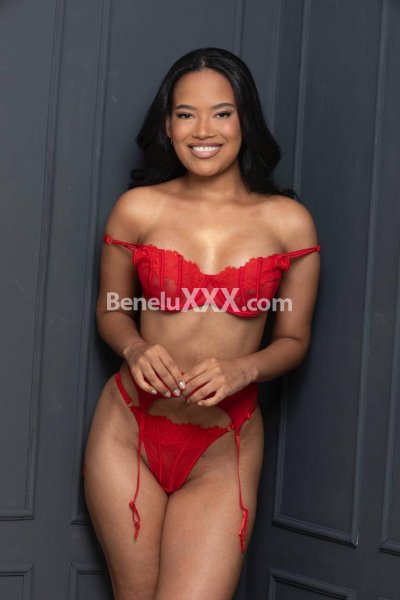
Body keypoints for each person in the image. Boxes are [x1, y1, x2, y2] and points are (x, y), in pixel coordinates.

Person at [82, 47, 320, 600]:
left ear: (245, 121)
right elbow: (111, 309)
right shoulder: (138, 209)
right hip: (128, 431)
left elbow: (294, 338)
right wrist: (135, 348)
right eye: (185, 114)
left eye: (222, 113)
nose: (203, 130)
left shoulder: (288, 222)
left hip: (223, 445)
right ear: (168, 126)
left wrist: (244, 368)